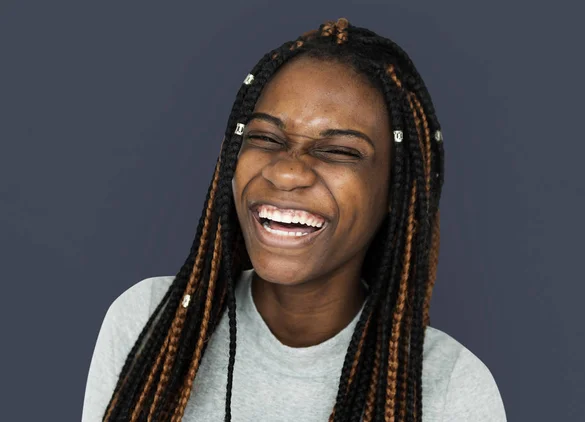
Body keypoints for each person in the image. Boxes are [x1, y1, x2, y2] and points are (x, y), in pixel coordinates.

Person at [82, 18, 507, 422]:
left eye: (340, 151)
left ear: (396, 191)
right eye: (265, 139)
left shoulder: (451, 386)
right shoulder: (147, 321)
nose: (286, 172)